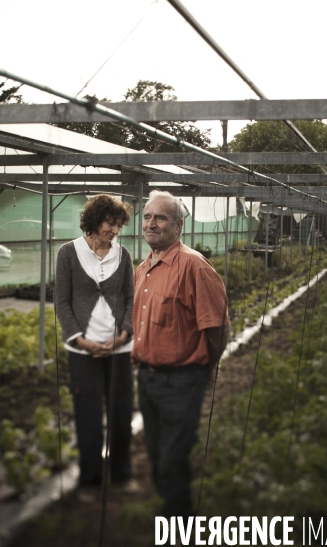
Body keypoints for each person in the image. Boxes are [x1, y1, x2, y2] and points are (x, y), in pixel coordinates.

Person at [132, 190, 230, 519]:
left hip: (181, 380)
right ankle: (173, 515)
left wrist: (208, 365)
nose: (151, 223)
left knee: (172, 460)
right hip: (147, 377)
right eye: (147, 217)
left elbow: (216, 326)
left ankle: (179, 526)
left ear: (179, 225)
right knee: (158, 456)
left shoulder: (194, 266)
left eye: (160, 217)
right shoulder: (142, 268)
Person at [55, 194, 138, 500]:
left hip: (118, 349)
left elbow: (130, 300)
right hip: (83, 351)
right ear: (93, 220)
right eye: (109, 222)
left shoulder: (124, 255)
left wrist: (123, 335)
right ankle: (89, 480)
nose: (114, 230)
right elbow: (62, 302)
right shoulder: (68, 253)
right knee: (88, 415)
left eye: (118, 225)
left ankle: (122, 474)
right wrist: (80, 339)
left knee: (120, 412)